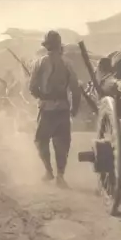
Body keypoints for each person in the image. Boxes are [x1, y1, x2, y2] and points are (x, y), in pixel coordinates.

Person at [28, 30, 81, 187]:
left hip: (46, 109)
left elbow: (32, 88)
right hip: (63, 108)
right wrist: (74, 108)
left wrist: (42, 96)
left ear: (47, 46)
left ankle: (48, 171)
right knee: (62, 143)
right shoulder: (67, 63)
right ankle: (60, 176)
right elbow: (75, 89)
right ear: (59, 46)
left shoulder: (38, 63)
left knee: (40, 140)